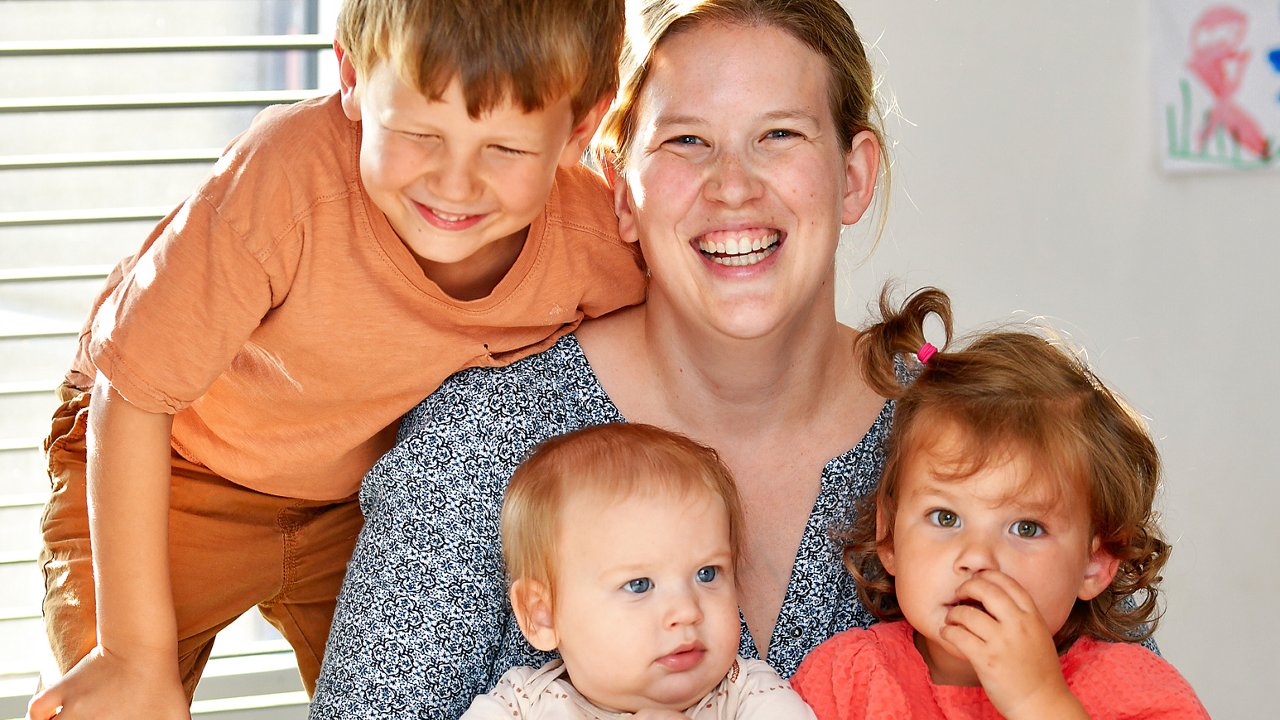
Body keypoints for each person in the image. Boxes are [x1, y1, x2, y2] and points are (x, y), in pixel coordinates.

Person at [27, 1, 645, 718]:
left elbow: (662, 362)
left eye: (504, 150)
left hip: (356, 504)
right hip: (174, 464)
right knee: (114, 701)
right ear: (351, 75)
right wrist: (132, 655)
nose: (454, 184)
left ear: (580, 128)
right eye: (419, 133)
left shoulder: (592, 237)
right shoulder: (288, 177)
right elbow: (132, 391)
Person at [311, 1, 905, 717]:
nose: (733, 186)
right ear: (621, 193)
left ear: (854, 174)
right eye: (687, 140)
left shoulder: (959, 436)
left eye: (778, 134)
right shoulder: (485, 437)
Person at [790, 290, 1210, 719]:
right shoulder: (847, 679)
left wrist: (1038, 702)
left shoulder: (1135, 689)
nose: (976, 557)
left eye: (1026, 528)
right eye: (946, 517)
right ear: (890, 538)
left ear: (1095, 562)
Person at [461, 423, 816, 719]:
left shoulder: (750, 695)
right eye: (639, 584)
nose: (687, 611)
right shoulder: (520, 704)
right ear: (544, 614)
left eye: (707, 573)